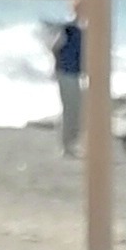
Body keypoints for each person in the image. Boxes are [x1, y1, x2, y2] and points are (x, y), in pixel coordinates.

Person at [53, 14, 86, 155]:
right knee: (70, 109)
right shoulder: (69, 29)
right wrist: (60, 64)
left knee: (76, 109)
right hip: (66, 73)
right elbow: (55, 47)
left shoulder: (81, 30)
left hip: (73, 73)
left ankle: (72, 143)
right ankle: (67, 145)